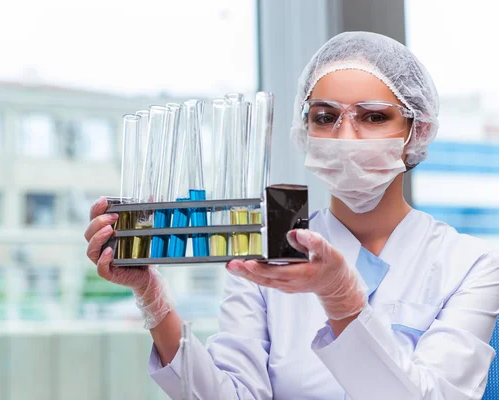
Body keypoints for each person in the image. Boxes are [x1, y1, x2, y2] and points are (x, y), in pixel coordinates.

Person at [85, 31, 499, 399]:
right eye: (326, 117)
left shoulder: (470, 266)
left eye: (373, 116)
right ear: (305, 132)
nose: (346, 136)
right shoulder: (268, 250)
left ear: (418, 130)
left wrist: (341, 298)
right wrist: (152, 298)